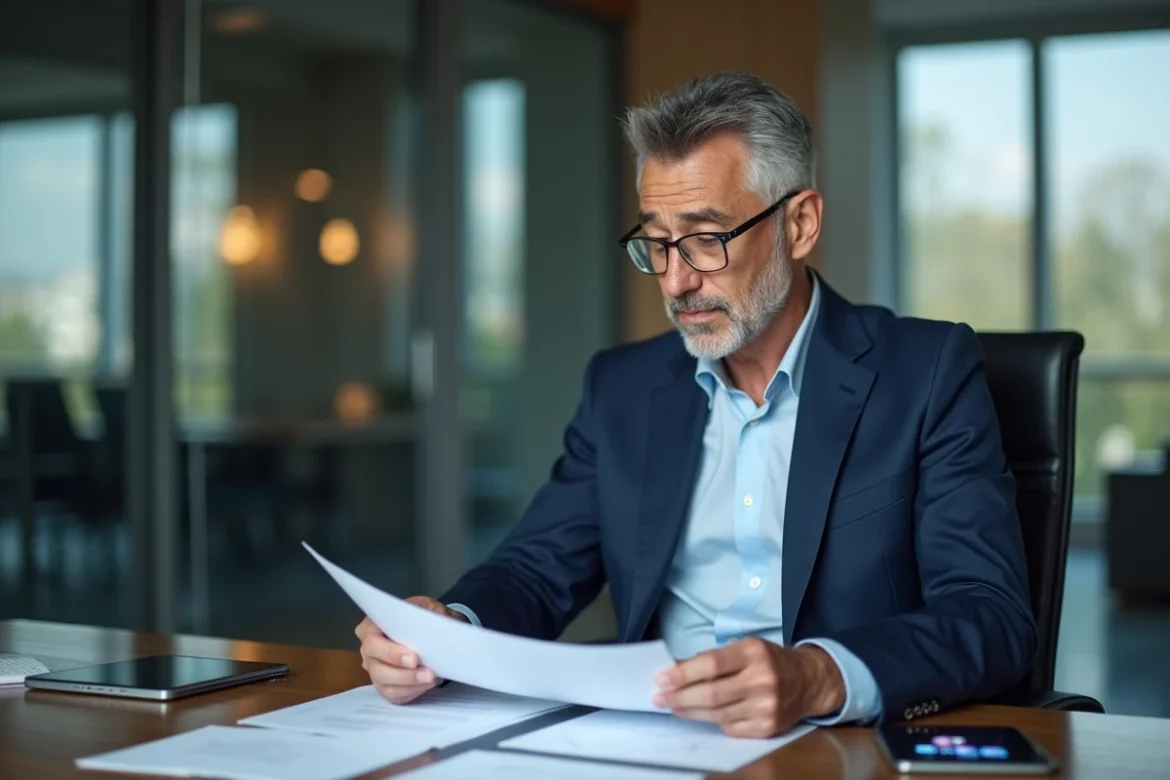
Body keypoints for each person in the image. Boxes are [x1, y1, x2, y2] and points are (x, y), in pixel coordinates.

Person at [356, 71, 1036, 738]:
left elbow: (990, 615)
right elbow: (534, 571)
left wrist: (817, 676)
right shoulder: (621, 388)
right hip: (648, 738)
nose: (677, 280)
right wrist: (446, 631)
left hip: (833, 745)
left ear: (799, 224)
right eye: (656, 240)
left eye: (707, 238)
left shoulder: (925, 372)